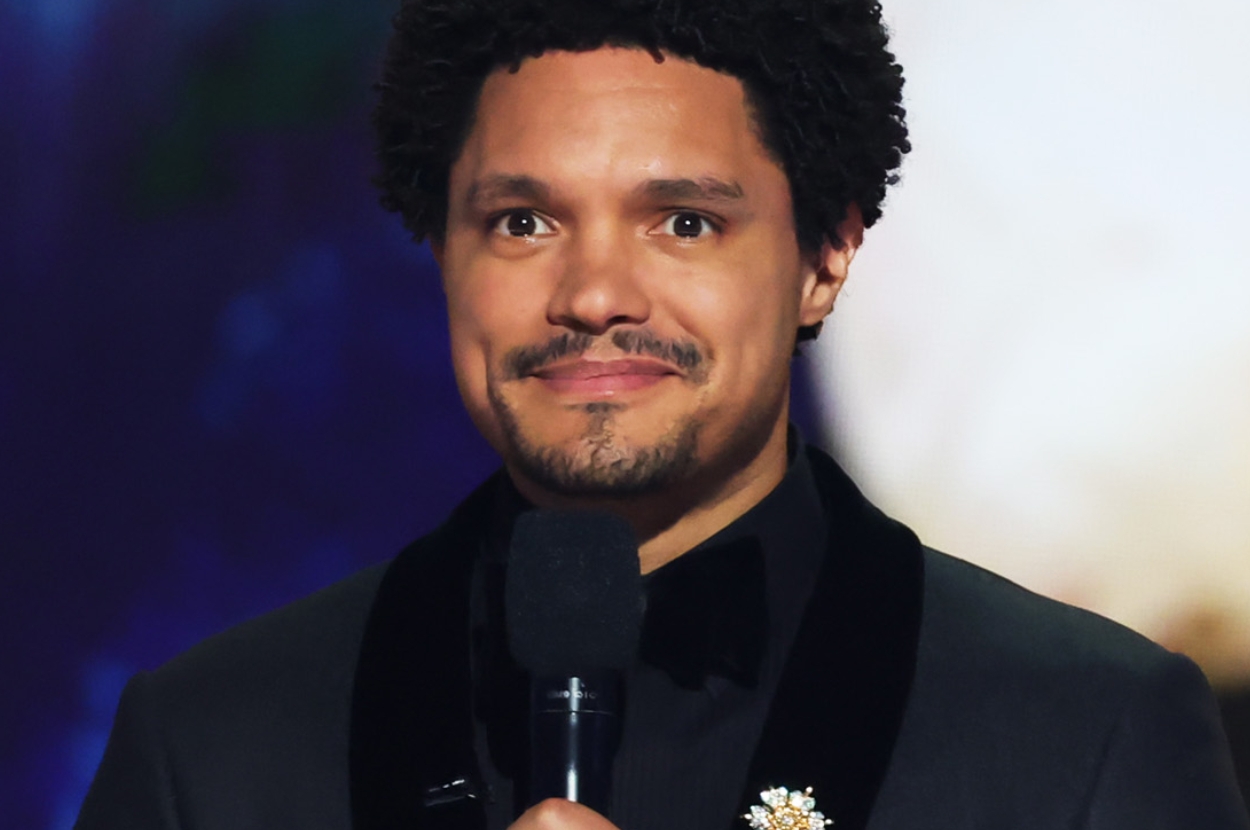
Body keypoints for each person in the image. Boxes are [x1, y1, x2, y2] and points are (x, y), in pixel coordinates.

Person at [76, 0, 1249, 828]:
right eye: (522, 222)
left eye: (683, 222)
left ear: (825, 260)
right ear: (441, 257)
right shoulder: (207, 746)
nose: (593, 294)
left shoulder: (1087, 736)